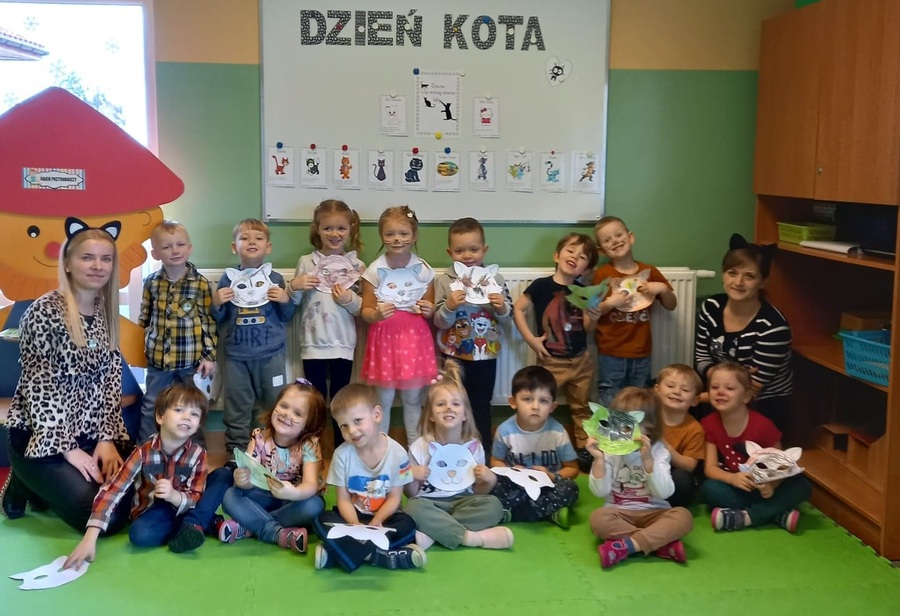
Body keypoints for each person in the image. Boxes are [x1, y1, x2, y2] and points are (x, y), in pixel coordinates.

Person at [2, 226, 130, 531]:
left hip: (88, 431)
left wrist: (106, 438)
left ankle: (40, 484)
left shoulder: (104, 310)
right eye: (88, 258)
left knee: (127, 499)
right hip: (43, 438)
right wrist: (70, 451)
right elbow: (40, 389)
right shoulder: (43, 312)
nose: (98, 266)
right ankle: (23, 479)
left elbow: (110, 378)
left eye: (106, 259)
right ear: (68, 263)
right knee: (104, 520)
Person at [63, 383, 209, 570]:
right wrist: (90, 538)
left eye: (194, 414)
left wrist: (174, 496)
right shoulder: (142, 452)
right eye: (179, 410)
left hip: (183, 506)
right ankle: (199, 524)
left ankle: (194, 523)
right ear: (160, 417)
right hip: (152, 511)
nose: (187, 417)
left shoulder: (199, 454)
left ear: (198, 425)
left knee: (220, 478)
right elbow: (113, 490)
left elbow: (196, 495)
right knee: (139, 535)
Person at [311, 383, 425, 572]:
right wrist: (355, 525)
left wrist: (376, 522)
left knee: (408, 525)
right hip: (352, 517)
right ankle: (379, 557)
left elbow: (395, 498)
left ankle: (336, 554)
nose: (352, 431)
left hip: (385, 519)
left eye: (357, 421)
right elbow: (343, 500)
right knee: (320, 519)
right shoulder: (341, 455)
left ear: (377, 415)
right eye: (344, 426)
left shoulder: (398, 453)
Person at [512, 232, 600, 473]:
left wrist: (593, 317)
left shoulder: (583, 291)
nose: (575, 257)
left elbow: (588, 328)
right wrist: (531, 340)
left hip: (581, 361)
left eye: (582, 257)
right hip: (551, 362)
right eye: (571, 251)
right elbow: (518, 310)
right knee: (538, 404)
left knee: (582, 407)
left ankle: (585, 451)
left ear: (585, 269)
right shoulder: (541, 286)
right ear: (557, 255)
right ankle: (534, 447)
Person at [404, 360, 513, 551]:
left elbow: (478, 491)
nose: (448, 408)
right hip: (430, 503)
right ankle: (472, 538)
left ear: (465, 414)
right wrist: (412, 475)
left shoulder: (474, 447)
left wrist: (489, 480)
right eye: (440, 404)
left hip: (464, 502)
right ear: (431, 415)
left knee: (494, 505)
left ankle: (434, 532)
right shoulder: (419, 447)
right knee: (412, 509)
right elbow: (412, 494)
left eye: (455, 404)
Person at [211, 218, 296, 456]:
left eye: (258, 238)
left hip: (271, 355)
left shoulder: (275, 279)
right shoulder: (228, 279)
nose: (252, 242)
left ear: (268, 247)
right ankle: (236, 454)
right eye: (245, 238)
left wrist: (286, 300)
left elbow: (287, 316)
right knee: (236, 407)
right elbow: (219, 318)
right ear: (234, 247)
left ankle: (276, 453)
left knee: (276, 405)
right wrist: (216, 303)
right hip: (237, 357)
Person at [587, 387, 694, 568]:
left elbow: (664, 493)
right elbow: (600, 492)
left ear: (650, 427)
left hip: (655, 512)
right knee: (597, 518)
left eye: (628, 426)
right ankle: (659, 544)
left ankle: (627, 546)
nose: (621, 431)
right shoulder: (610, 452)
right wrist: (599, 459)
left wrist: (649, 462)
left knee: (684, 517)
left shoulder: (659, 451)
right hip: (618, 512)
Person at [694, 233, 792, 431]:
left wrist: (715, 384)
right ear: (723, 275)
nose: (738, 282)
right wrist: (732, 377)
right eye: (732, 273)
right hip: (721, 392)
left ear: (762, 282)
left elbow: (753, 388)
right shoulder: (711, 307)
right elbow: (702, 359)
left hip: (762, 402)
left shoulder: (773, 326)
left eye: (749, 276)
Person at [287, 200, 365, 449]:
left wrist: (349, 299)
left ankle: (343, 450)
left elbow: (362, 309)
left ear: (351, 229)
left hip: (343, 343)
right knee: (315, 401)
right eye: (328, 228)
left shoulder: (357, 266)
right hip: (313, 344)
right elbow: (293, 302)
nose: (334, 234)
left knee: (341, 401)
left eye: (341, 228)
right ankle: (313, 450)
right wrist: (295, 286)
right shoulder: (306, 262)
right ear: (317, 229)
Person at [433, 217, 512, 456]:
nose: (467, 255)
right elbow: (439, 321)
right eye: (460, 251)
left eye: (474, 249)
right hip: (453, 356)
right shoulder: (444, 281)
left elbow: (508, 318)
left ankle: (482, 454)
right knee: (451, 404)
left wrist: (501, 307)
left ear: (484, 250)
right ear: (450, 252)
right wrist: (449, 306)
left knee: (480, 405)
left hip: (485, 356)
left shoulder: (495, 279)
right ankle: (449, 451)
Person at [217, 380, 326, 553]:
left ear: (309, 424)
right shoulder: (259, 437)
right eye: (283, 406)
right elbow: (249, 478)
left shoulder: (309, 445)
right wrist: (242, 480)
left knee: (315, 505)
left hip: (291, 501)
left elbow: (310, 485)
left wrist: (293, 493)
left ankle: (250, 525)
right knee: (230, 495)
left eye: (297, 413)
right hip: (262, 496)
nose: (287, 414)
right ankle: (279, 534)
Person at [700, 362, 811, 532]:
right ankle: (774, 513)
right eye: (715, 387)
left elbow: (783, 465)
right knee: (709, 489)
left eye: (729, 388)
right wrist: (732, 478)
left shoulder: (763, 426)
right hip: (739, 485)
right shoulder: (709, 423)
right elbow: (710, 468)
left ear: (746, 396)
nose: (720, 392)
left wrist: (772, 486)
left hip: (767, 485)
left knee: (802, 486)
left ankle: (747, 517)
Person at [360, 205, 437, 445]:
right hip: (385, 341)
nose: (397, 239)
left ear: (414, 236)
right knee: (383, 400)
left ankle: (416, 449)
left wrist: (428, 309)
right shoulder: (375, 270)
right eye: (390, 234)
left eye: (403, 233)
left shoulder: (423, 270)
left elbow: (430, 305)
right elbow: (365, 311)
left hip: (413, 341)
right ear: (381, 236)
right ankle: (380, 448)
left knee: (412, 399)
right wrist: (376, 314)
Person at [137, 220, 217, 441]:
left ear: (189, 248)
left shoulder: (200, 284)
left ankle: (196, 452)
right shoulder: (151, 283)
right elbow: (144, 317)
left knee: (193, 406)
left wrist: (209, 356)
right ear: (156, 254)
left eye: (180, 245)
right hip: (158, 362)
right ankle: (144, 450)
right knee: (152, 404)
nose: (175, 251)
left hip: (190, 362)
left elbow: (208, 322)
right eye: (167, 246)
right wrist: (142, 347)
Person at [592, 216, 676, 408]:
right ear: (601, 250)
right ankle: (610, 430)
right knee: (610, 400)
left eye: (618, 235)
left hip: (641, 353)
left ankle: (638, 429)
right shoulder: (602, 275)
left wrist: (662, 289)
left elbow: (671, 305)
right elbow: (593, 311)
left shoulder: (649, 271)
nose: (615, 241)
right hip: (610, 353)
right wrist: (610, 303)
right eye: (607, 240)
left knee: (640, 402)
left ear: (630, 237)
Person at [486, 365, 580, 527]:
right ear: (513, 402)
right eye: (527, 399)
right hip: (516, 485)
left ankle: (513, 513)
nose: (535, 406)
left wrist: (553, 476)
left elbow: (572, 469)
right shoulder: (505, 431)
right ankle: (549, 513)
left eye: (543, 401)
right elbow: (495, 461)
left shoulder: (558, 432)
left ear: (552, 407)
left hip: (547, 486)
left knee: (570, 488)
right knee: (491, 485)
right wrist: (510, 472)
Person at [654, 363, 705, 508]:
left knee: (682, 479)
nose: (677, 392)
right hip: (645, 470)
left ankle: (664, 508)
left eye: (685, 390)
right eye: (670, 386)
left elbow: (689, 466)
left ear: (695, 400)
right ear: (657, 390)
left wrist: (663, 443)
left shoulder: (695, 429)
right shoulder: (647, 416)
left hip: (672, 476)